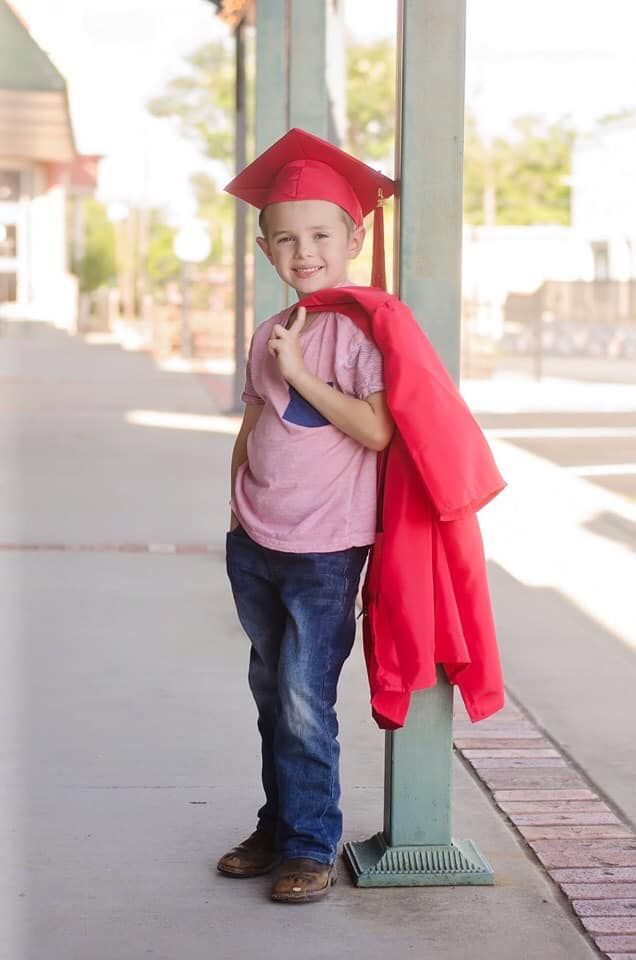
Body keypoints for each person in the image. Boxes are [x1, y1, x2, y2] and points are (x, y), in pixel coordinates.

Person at [217, 128, 397, 904]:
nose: (304, 251)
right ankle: (279, 821)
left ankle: (310, 843)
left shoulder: (358, 333)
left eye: (321, 234)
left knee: (302, 696)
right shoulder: (269, 332)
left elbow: (378, 430)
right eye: (285, 239)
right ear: (265, 250)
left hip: (325, 552)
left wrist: (301, 372)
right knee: (269, 692)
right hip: (254, 541)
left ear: (354, 237)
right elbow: (255, 419)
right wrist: (232, 505)